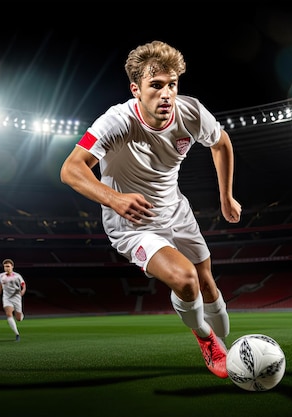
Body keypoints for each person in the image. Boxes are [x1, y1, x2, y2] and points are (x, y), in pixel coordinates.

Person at [60, 40, 242, 378]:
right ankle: (205, 339)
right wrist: (114, 198)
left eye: (172, 84)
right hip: (134, 225)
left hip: (177, 211)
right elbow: (70, 168)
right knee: (186, 280)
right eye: (156, 85)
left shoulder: (191, 112)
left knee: (207, 284)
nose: (166, 94)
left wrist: (226, 197)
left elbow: (222, 143)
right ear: (136, 89)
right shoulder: (116, 122)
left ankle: (225, 339)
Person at [0, 258, 26, 341]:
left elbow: (23, 285)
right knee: (9, 314)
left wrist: (23, 291)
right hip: (6, 297)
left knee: (19, 319)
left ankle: (20, 315)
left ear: (12, 267)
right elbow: (1, 284)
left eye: (8, 266)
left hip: (16, 297)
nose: (7, 268)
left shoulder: (17, 276)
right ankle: (17, 334)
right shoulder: (1, 275)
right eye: (5, 267)